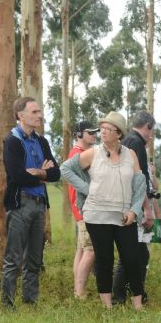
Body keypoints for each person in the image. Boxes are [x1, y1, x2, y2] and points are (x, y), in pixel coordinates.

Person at [68, 111, 146, 310]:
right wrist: (87, 189)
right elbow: (66, 169)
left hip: (124, 217)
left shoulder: (131, 154)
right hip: (96, 215)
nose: (102, 132)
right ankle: (107, 306)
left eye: (107, 129)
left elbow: (140, 185)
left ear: (118, 134)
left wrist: (135, 211)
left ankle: (138, 304)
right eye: (101, 128)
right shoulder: (93, 153)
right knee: (104, 260)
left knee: (132, 259)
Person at [0, 97, 60, 308]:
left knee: (35, 258)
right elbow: (17, 176)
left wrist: (39, 172)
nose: (39, 115)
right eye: (34, 112)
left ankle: (30, 301)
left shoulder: (42, 141)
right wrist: (43, 173)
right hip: (20, 204)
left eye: (39, 111)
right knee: (13, 257)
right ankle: (7, 304)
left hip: (39, 204)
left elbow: (56, 173)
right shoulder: (12, 141)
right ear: (20, 115)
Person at [113, 110, 156, 305]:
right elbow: (140, 180)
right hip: (134, 206)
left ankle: (134, 292)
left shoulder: (128, 141)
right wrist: (146, 209)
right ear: (147, 127)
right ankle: (120, 296)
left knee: (139, 253)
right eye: (151, 130)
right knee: (131, 254)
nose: (151, 135)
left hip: (129, 204)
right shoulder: (136, 143)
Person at [60, 120, 98, 299]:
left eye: (95, 132)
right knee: (91, 250)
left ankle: (78, 289)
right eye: (90, 132)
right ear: (79, 134)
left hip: (81, 210)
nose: (94, 135)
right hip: (84, 209)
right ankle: (80, 292)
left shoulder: (82, 153)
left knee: (82, 250)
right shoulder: (77, 154)